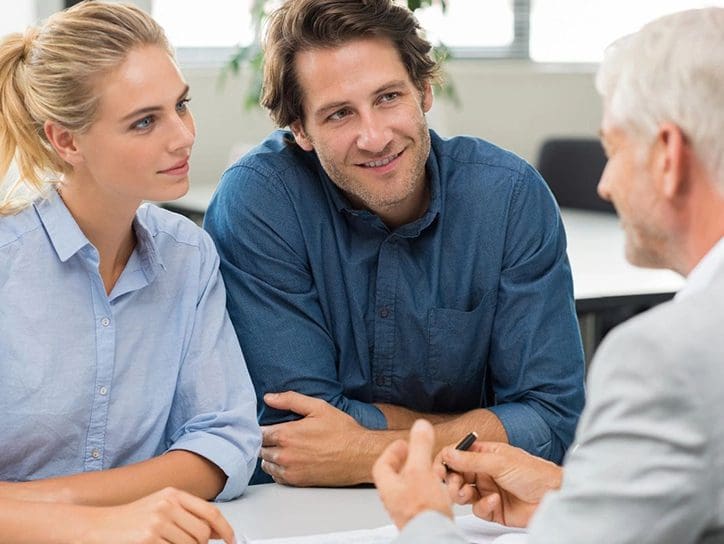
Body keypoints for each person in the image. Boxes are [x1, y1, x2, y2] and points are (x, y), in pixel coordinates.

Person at [374, 7, 724, 544]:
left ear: (669, 157)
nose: (605, 184)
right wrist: (569, 502)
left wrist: (422, 518)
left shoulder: (665, 359)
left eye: (613, 149)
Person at [204, 0, 584, 486]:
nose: (374, 136)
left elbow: (554, 420)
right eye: (340, 113)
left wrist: (366, 451)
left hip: (471, 513)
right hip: (299, 517)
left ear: (424, 90)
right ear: (300, 129)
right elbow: (298, 437)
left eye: (387, 98)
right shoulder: (263, 200)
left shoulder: (508, 198)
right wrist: (484, 427)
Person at [0, 2, 260, 542]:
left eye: (180, 106)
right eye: (145, 121)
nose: (182, 136)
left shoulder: (189, 256)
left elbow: (224, 440)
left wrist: (54, 501)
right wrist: (94, 524)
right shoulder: (8, 261)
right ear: (66, 140)